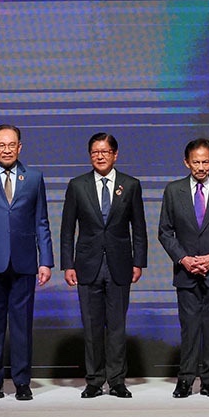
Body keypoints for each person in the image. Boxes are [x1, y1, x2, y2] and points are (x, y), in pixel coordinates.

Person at [0, 124, 53, 401]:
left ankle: (22, 382)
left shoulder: (34, 177)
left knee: (21, 326)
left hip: (25, 262)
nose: (6, 149)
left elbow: (42, 222)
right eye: (1, 145)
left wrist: (46, 261)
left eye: (11, 144)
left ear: (20, 147)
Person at [60, 132, 147, 399]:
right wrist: (68, 264)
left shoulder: (130, 185)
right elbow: (67, 229)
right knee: (92, 325)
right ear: (90, 156)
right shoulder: (77, 185)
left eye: (105, 152)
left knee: (117, 326)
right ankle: (95, 380)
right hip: (87, 265)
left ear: (115, 155)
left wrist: (139, 262)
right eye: (95, 152)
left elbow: (139, 229)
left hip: (120, 265)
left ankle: (117, 381)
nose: (100, 156)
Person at [158, 138, 209, 398]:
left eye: (206, 161)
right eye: (196, 161)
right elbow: (165, 232)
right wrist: (183, 258)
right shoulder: (173, 191)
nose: (201, 166)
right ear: (186, 162)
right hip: (185, 272)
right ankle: (185, 380)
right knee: (189, 327)